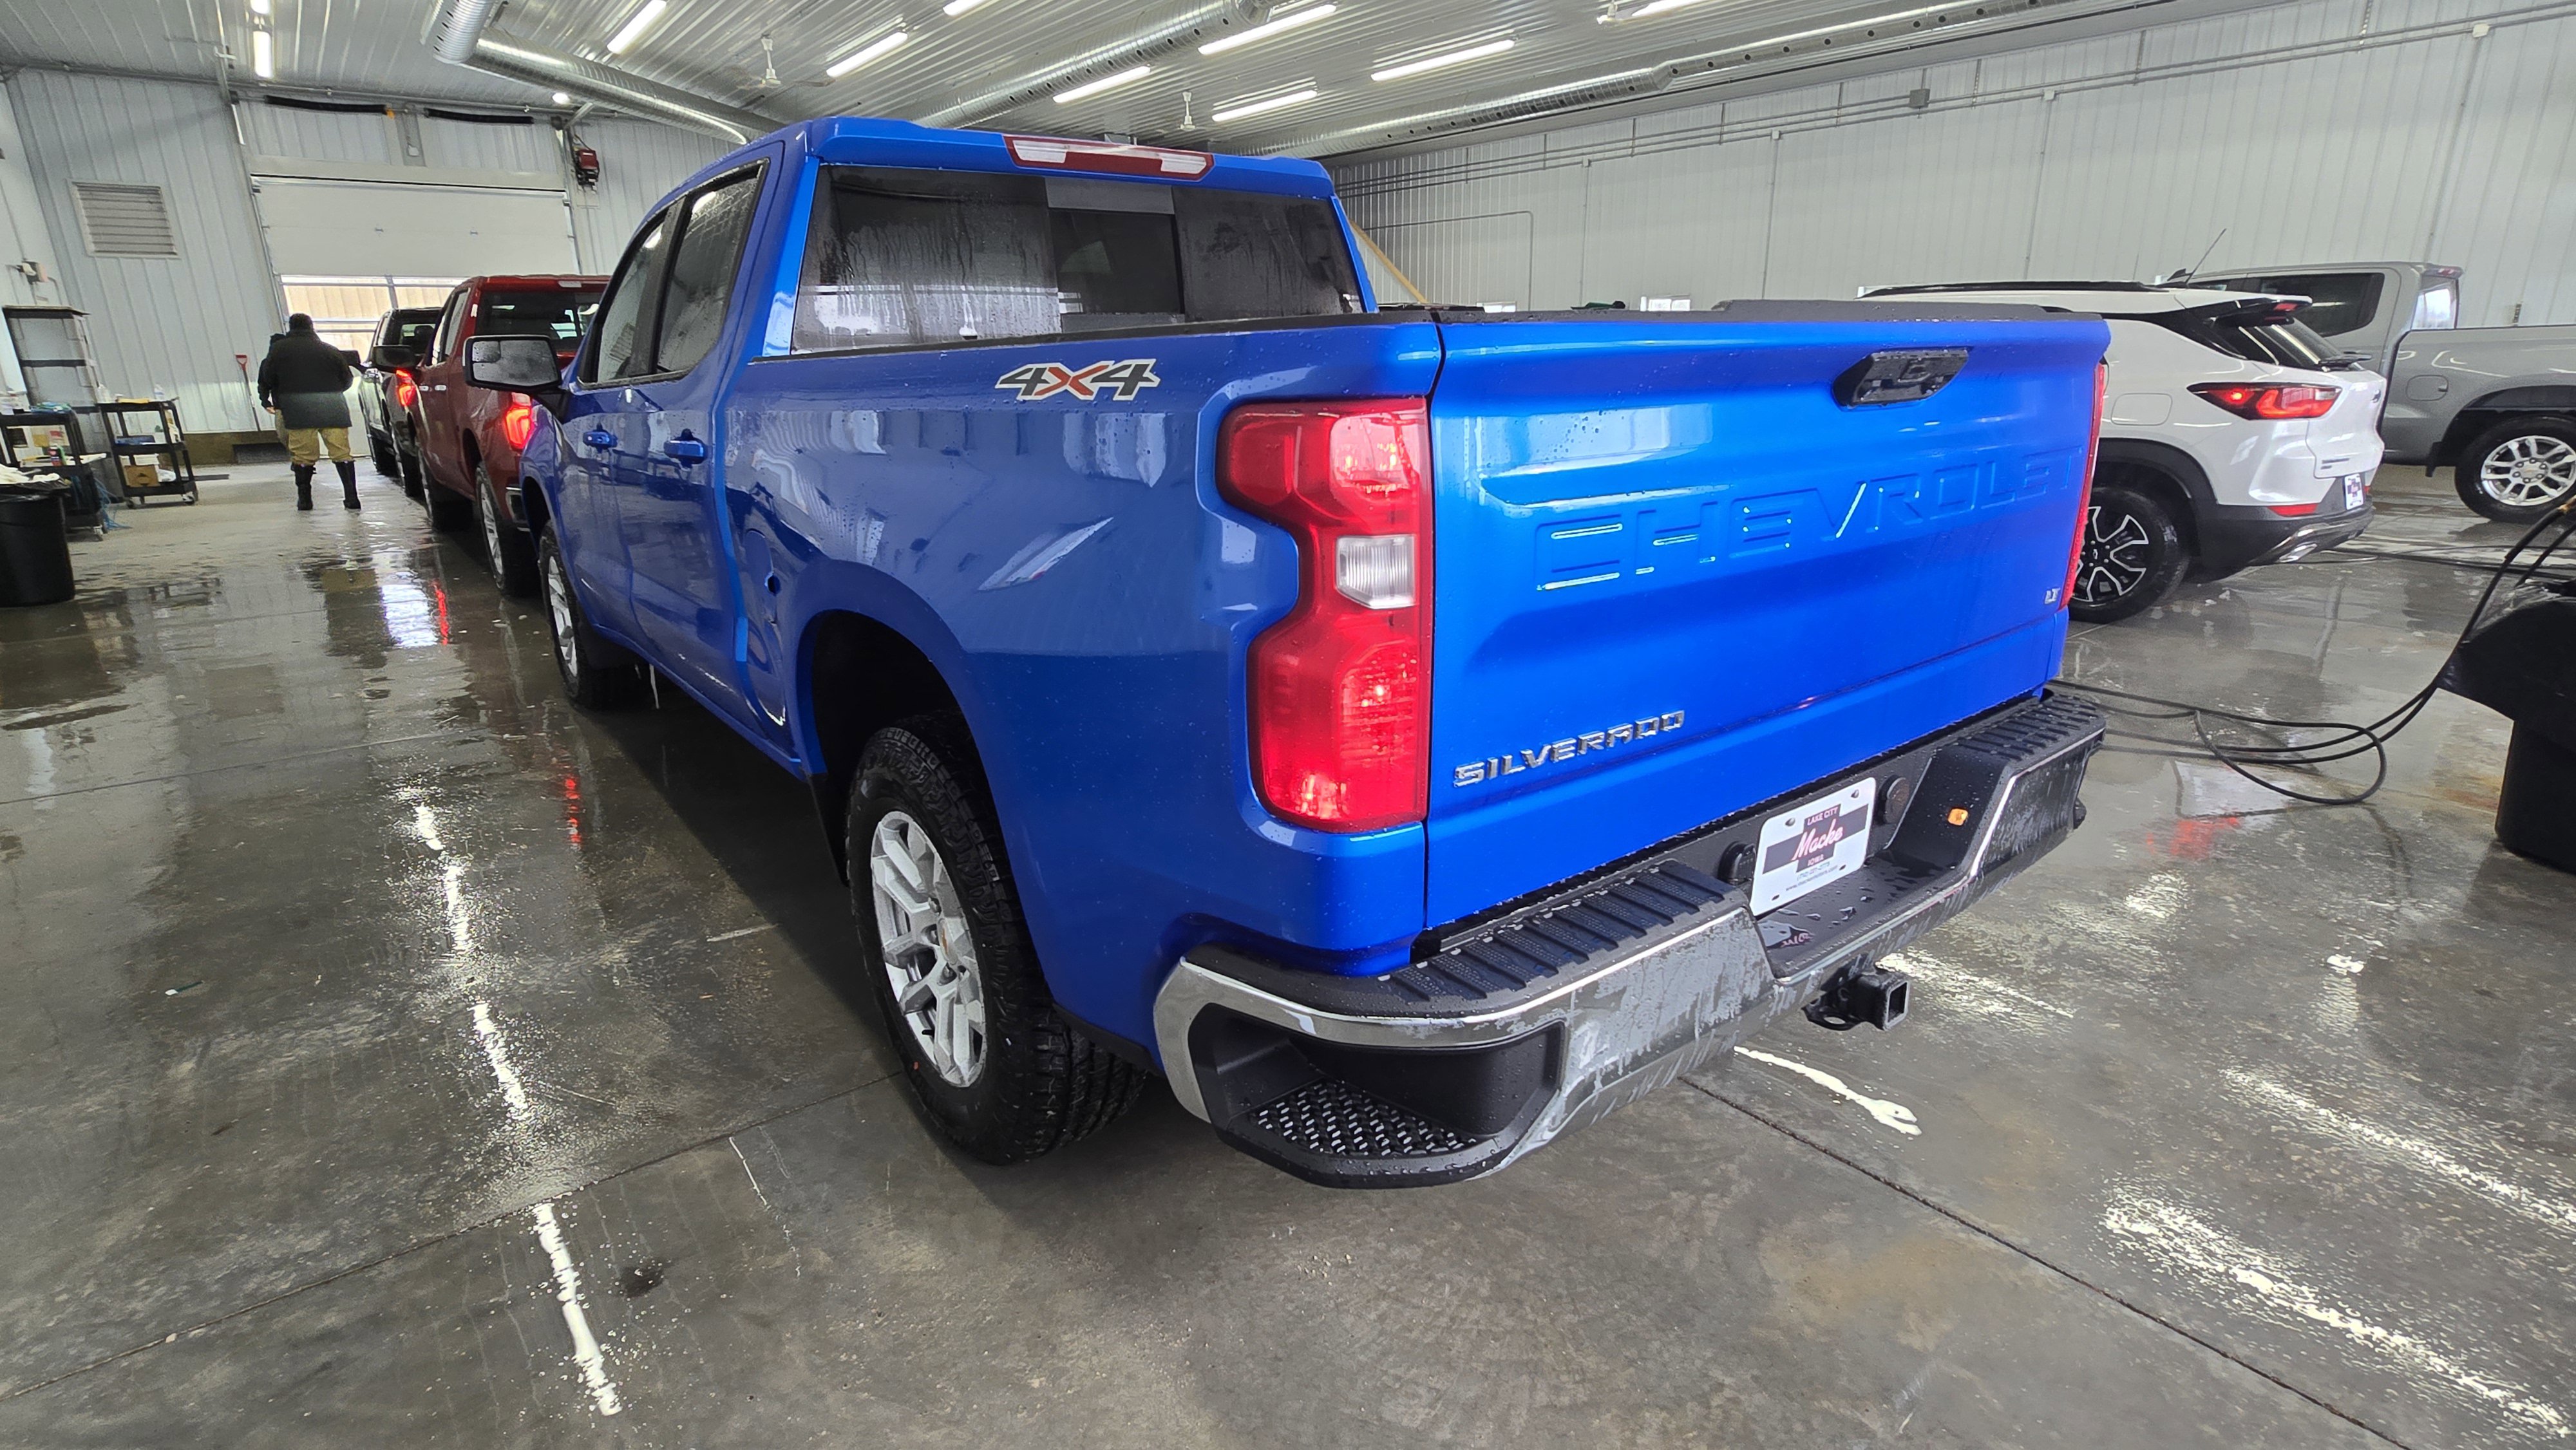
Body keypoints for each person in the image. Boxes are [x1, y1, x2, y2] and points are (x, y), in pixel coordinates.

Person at [257, 315, 361, 511]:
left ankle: (305, 500)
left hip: (299, 410)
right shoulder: (329, 349)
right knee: (342, 453)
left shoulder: (279, 350)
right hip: (332, 407)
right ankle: (352, 498)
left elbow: (268, 377)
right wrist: (331, 391)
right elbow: (347, 379)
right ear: (311, 327)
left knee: (303, 456)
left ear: (291, 327)